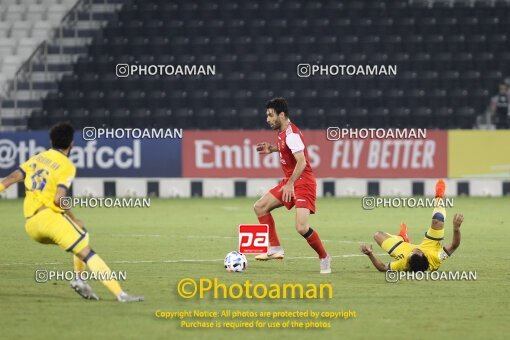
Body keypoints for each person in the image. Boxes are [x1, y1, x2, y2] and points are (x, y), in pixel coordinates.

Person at [0, 122, 143, 302]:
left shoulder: (37, 158)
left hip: (31, 225)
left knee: (82, 235)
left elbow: (11, 178)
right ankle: (120, 294)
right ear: (71, 144)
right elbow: (59, 199)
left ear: (51, 141)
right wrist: (73, 218)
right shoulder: (66, 165)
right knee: (87, 251)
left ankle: (80, 279)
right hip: (50, 220)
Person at [253, 97, 331, 274]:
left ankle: (324, 257)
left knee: (301, 227)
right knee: (260, 207)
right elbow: (286, 148)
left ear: (281, 115)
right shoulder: (283, 132)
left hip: (303, 183)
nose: (267, 119)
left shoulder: (291, 135)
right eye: (267, 115)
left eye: (270, 115)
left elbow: (302, 162)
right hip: (291, 181)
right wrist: (272, 149)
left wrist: (289, 184)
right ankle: (275, 248)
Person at [360, 179, 463, 272]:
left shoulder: (403, 263)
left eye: (413, 252)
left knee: (377, 235)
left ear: (408, 260)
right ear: (424, 256)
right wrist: (456, 229)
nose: (414, 250)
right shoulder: (435, 257)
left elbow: (382, 268)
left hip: (404, 251)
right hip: (430, 246)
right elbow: (454, 245)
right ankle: (439, 197)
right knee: (438, 220)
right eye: (418, 251)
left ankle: (402, 238)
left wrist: (370, 254)